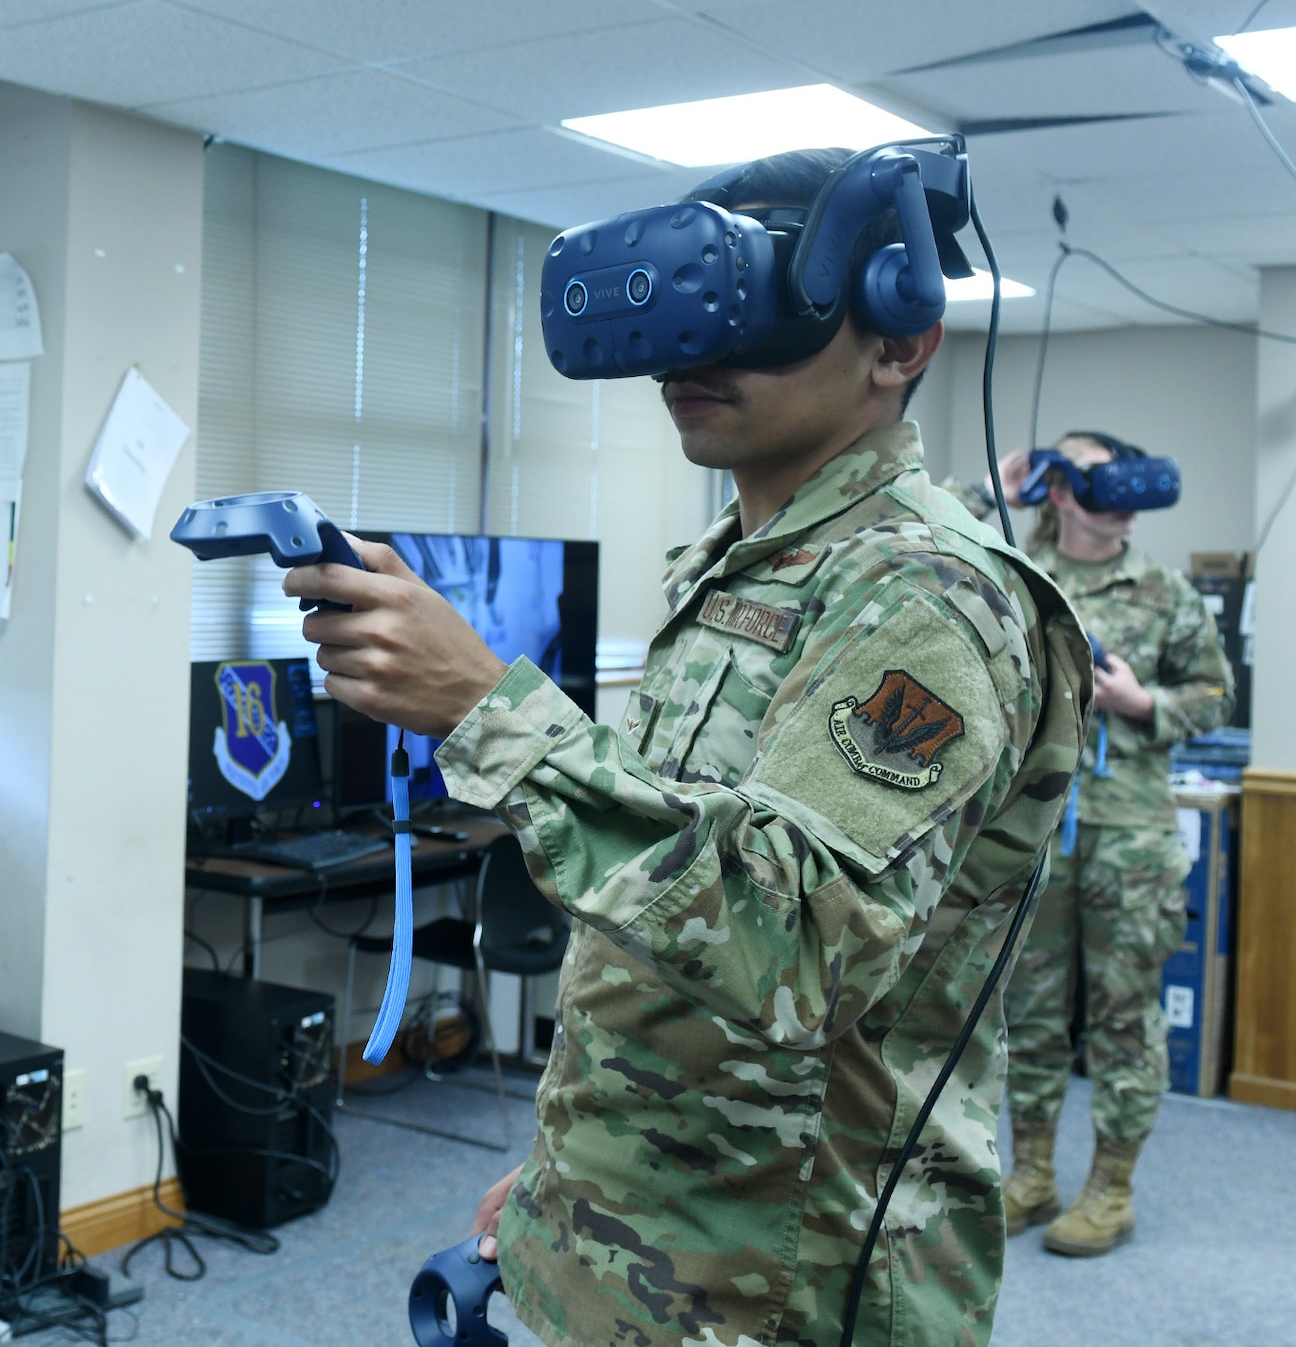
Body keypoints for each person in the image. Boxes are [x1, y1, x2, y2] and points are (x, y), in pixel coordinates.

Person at [285, 148, 1090, 1347]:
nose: (687, 357)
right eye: (680, 315)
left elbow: (796, 941)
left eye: (753, 312)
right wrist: (576, 1181)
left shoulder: (924, 597)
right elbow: (662, 919)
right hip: (653, 1235)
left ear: (899, 341)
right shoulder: (730, 570)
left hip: (791, 1278)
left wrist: (486, 710)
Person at [970, 436, 1233, 1257]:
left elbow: (1217, 693)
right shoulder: (1010, 566)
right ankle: (1033, 1174)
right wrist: (989, 491)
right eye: (1093, 476)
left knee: (1122, 1019)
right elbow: (919, 539)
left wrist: (1143, 700)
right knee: (1032, 1015)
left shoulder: (1163, 591)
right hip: (1033, 829)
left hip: (1129, 835)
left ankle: (1111, 1188)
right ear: (1056, 490)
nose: (1118, 496)